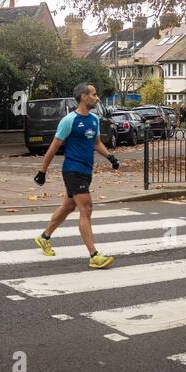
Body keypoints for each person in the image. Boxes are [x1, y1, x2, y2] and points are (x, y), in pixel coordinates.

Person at [32, 83, 116, 269]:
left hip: (86, 170)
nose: (97, 98)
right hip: (72, 170)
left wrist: (110, 157)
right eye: (94, 94)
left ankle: (44, 237)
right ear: (83, 97)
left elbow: (96, 143)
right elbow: (53, 147)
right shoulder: (69, 120)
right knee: (86, 208)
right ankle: (94, 255)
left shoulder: (94, 119)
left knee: (68, 207)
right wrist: (42, 171)